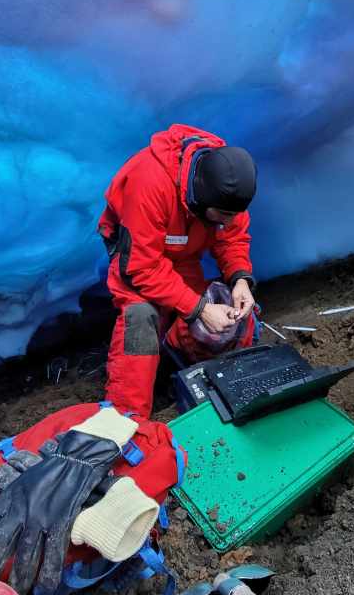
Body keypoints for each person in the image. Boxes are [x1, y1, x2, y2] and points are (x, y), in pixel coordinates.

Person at [98, 123, 258, 417]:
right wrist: (198, 307)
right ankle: (126, 422)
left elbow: (231, 237)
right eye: (224, 215)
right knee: (141, 318)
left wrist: (240, 279)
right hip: (136, 255)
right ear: (201, 198)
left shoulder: (228, 192)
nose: (230, 220)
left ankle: (185, 368)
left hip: (182, 249)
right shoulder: (149, 182)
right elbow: (141, 267)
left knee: (214, 319)